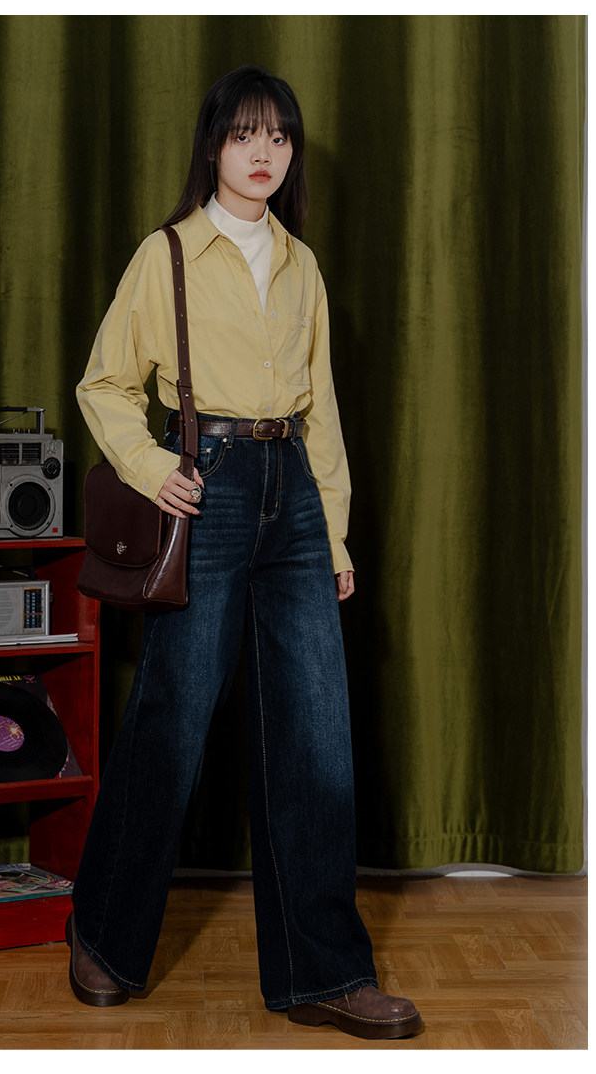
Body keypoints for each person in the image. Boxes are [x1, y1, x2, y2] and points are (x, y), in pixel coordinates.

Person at [69, 64, 423, 1042]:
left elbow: (323, 412)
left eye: (279, 136)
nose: (263, 152)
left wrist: (333, 533)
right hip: (209, 486)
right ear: (214, 147)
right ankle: (103, 933)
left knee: (316, 735)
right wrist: (152, 467)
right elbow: (104, 384)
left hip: (295, 496)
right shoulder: (169, 255)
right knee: (172, 723)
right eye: (244, 134)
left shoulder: (302, 265)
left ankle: (323, 972)